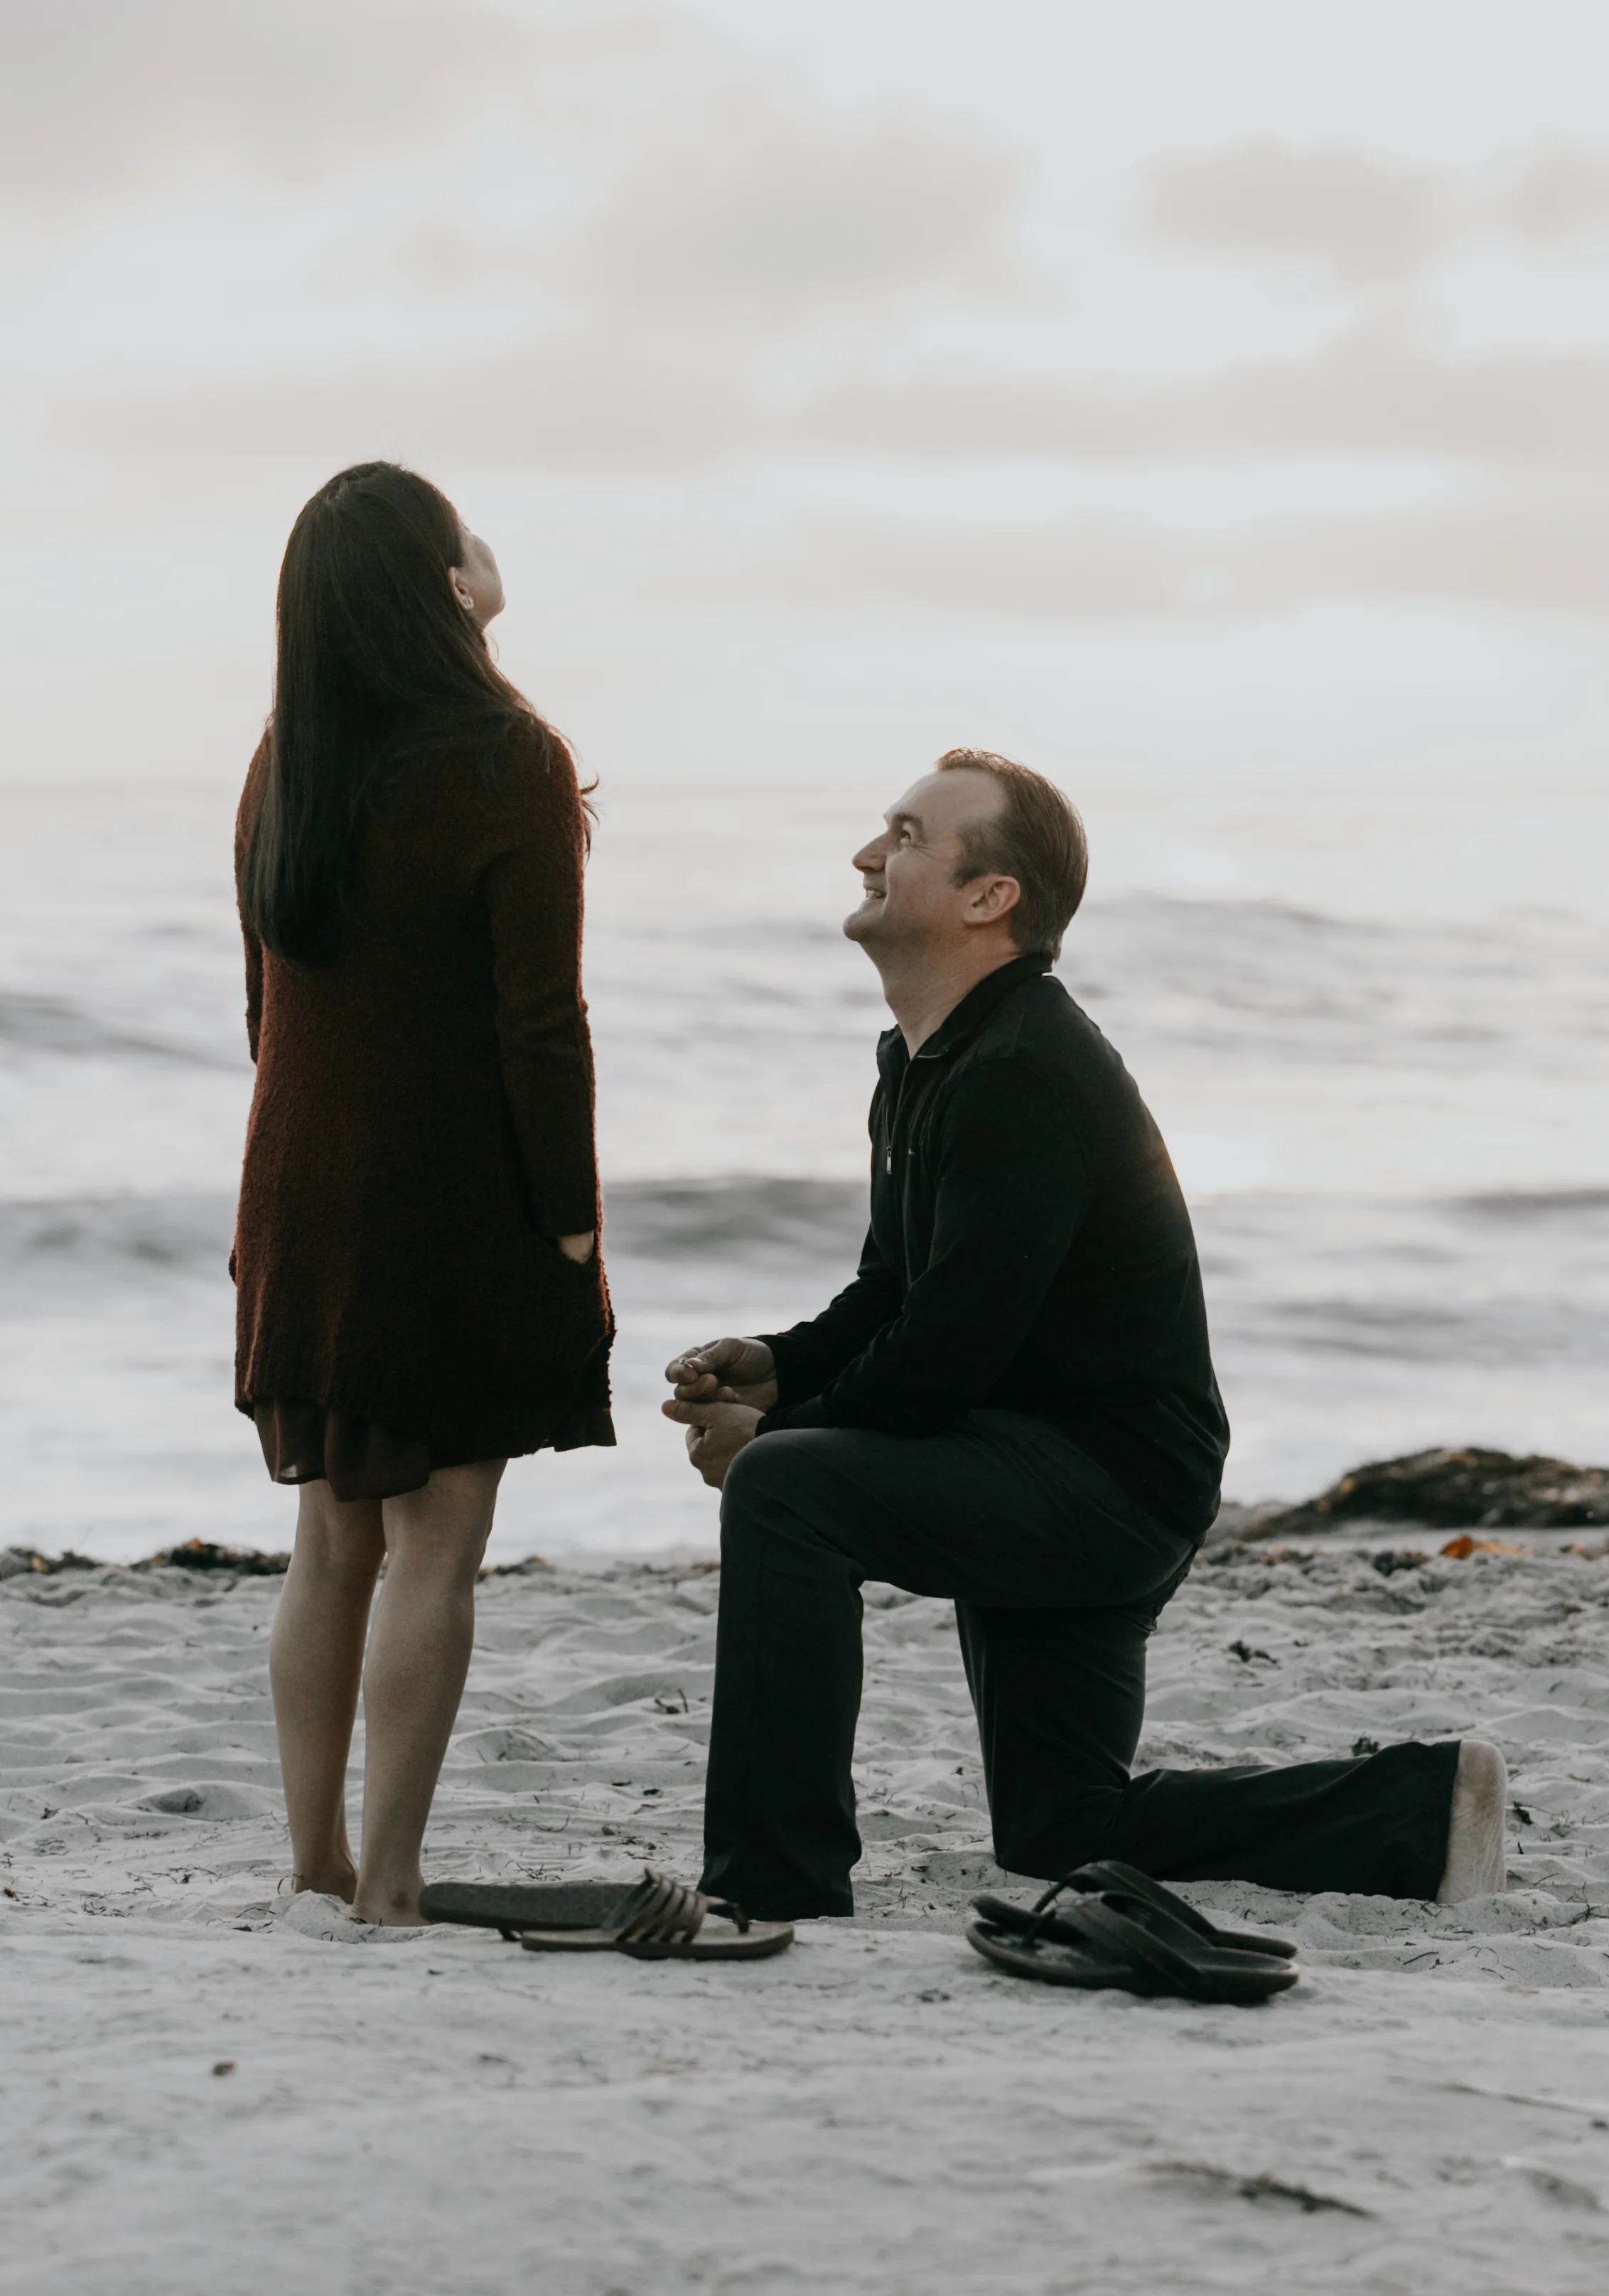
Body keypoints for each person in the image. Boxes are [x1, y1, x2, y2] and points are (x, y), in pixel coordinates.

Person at [663, 749, 1507, 1921]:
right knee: (1060, 1827)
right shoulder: (922, 1057)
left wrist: (773, 1438)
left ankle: (772, 1887)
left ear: (989, 896)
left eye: (905, 836)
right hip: (1040, 1461)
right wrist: (780, 1364)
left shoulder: (1022, 1070)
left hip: (1105, 1483)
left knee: (786, 1492)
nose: (866, 854)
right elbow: (896, 1291)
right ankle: (1423, 1811)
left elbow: (941, 1358)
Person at [234, 461, 611, 1925]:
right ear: (443, 584)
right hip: (447, 1204)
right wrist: (568, 1217)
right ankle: (390, 1882)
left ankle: (317, 1864)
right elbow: (541, 1023)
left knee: (331, 1543)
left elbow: (265, 1011)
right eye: (463, 534)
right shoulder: (507, 757)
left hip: (298, 1200)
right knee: (436, 1546)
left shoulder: (288, 757)